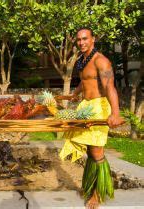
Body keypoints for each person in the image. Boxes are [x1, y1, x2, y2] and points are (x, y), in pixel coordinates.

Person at [59, 28, 125, 209]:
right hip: (85, 107)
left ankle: (97, 194)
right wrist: (75, 94)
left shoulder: (101, 61)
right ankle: (89, 186)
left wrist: (116, 113)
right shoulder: (82, 59)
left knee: (96, 152)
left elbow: (110, 87)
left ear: (93, 39)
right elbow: (85, 80)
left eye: (85, 39)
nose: (81, 43)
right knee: (89, 151)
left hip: (98, 107)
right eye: (79, 40)